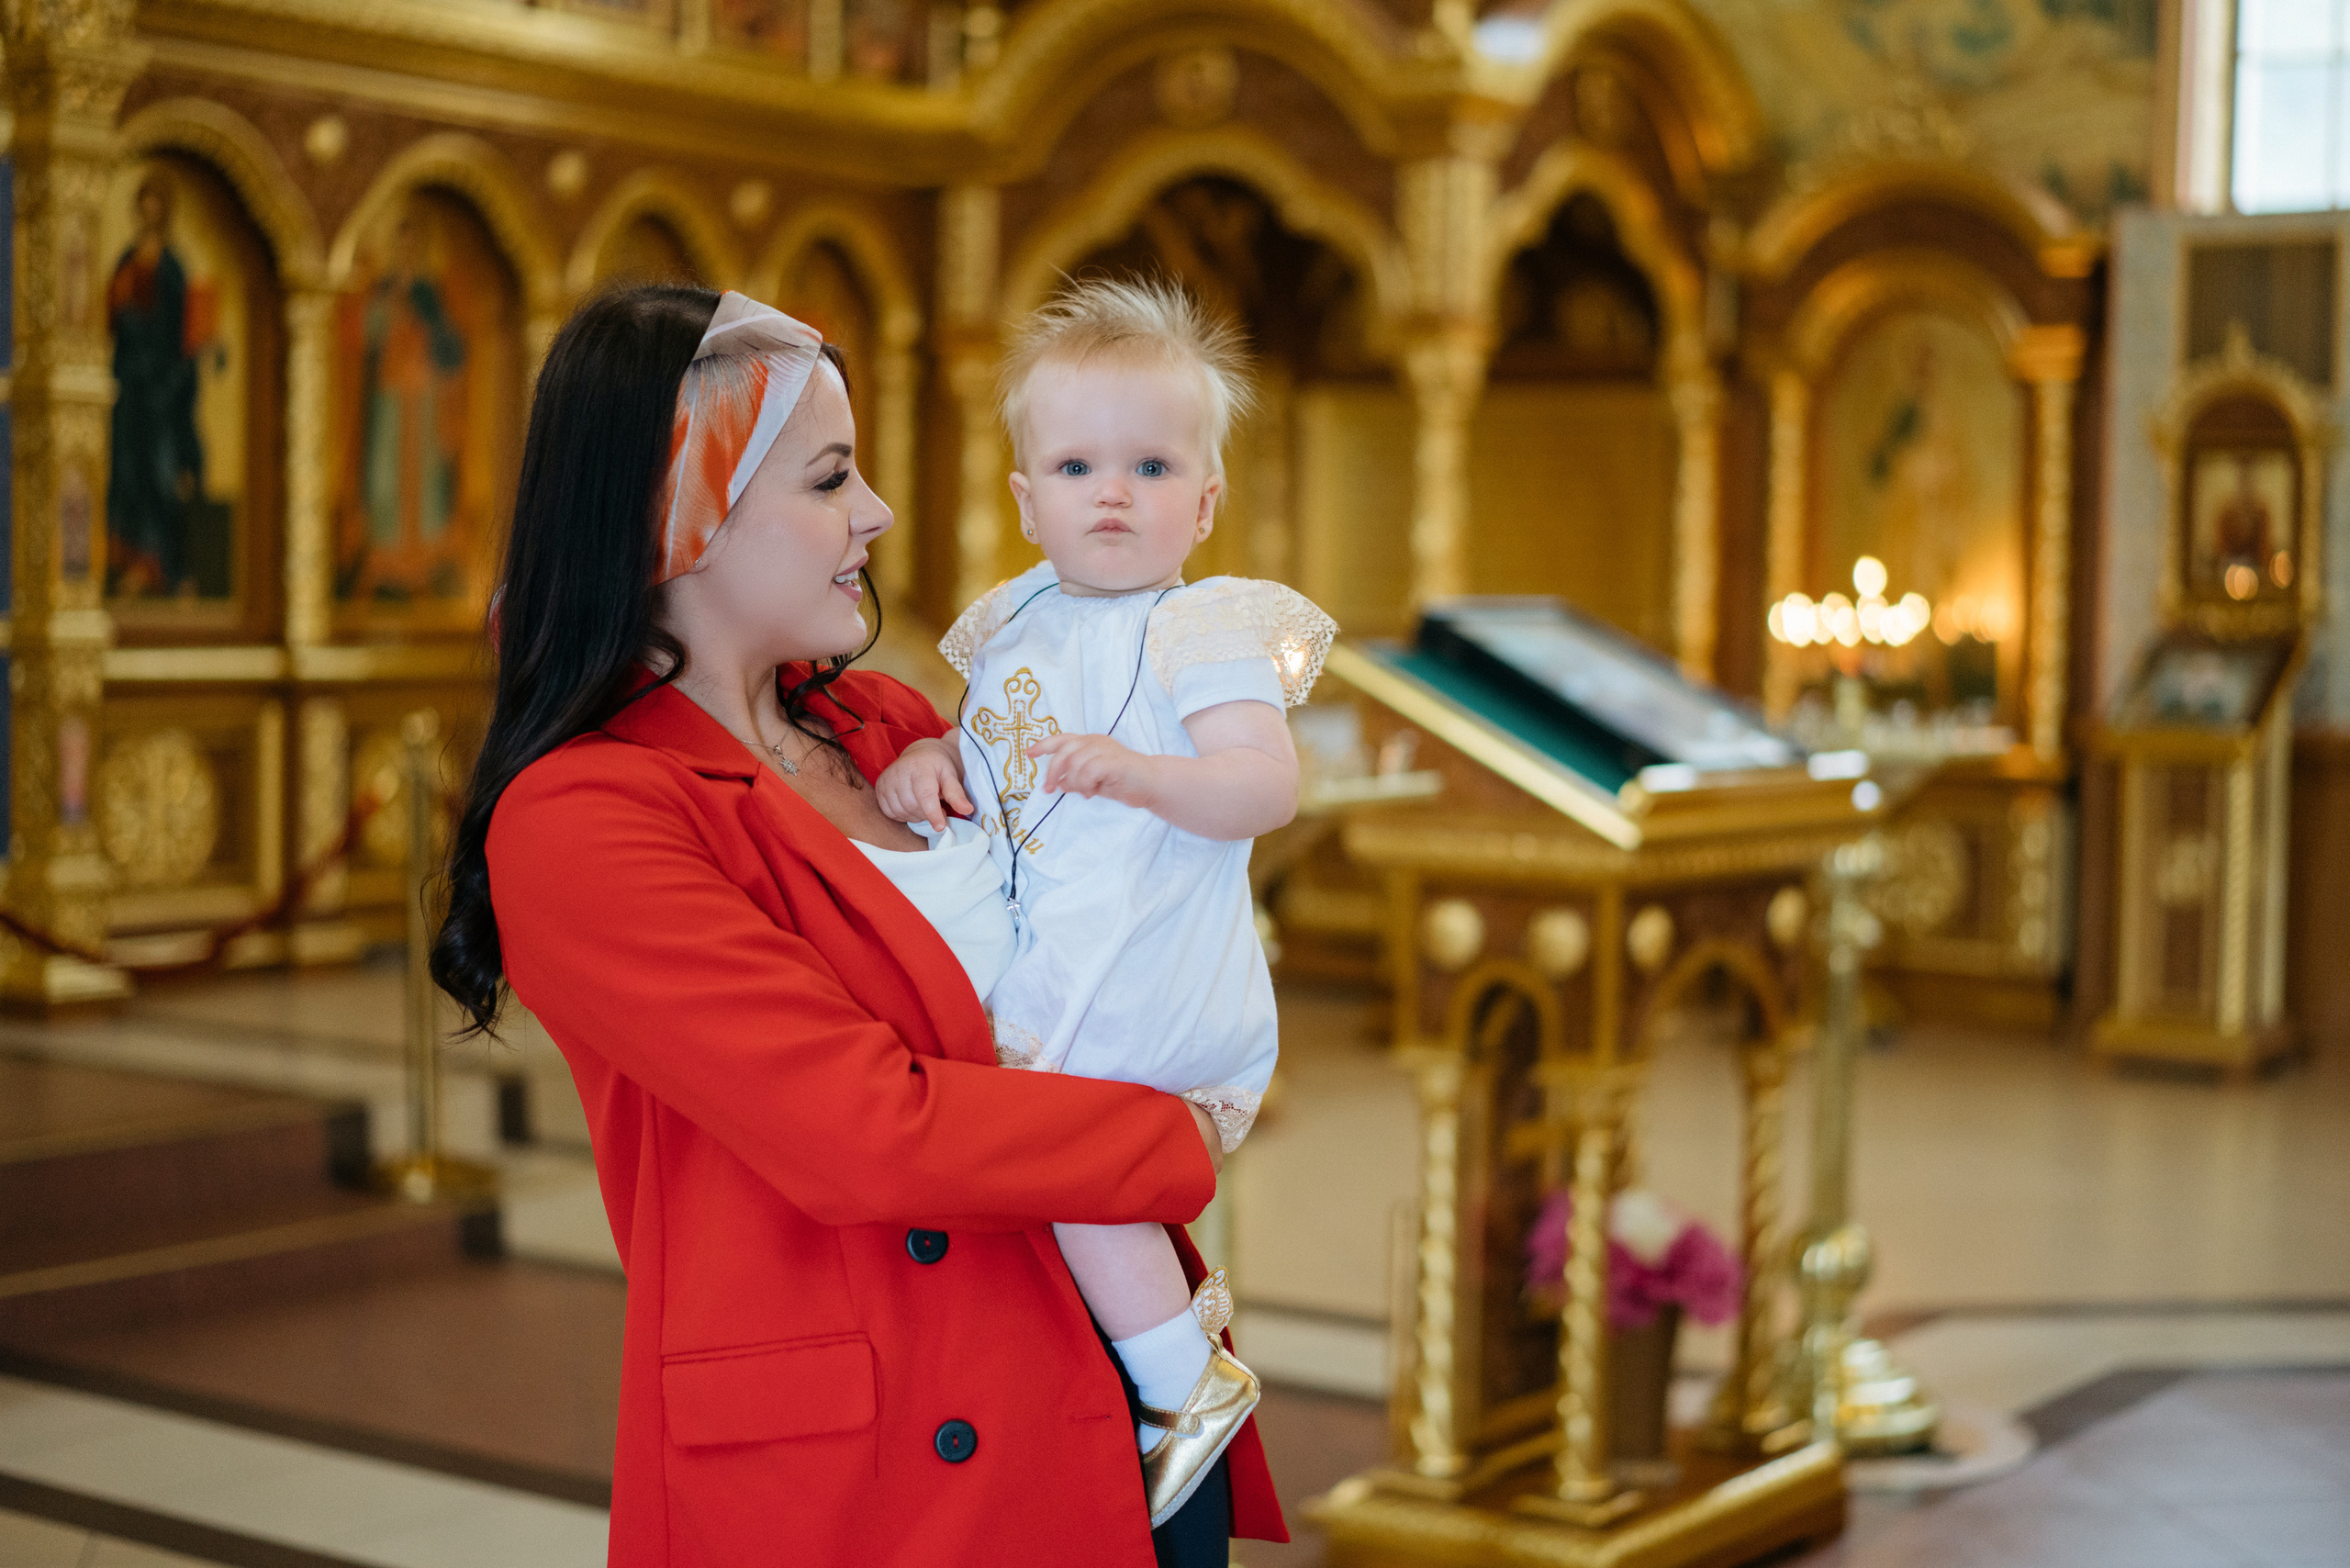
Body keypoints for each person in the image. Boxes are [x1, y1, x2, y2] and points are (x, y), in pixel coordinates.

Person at [429, 284, 1284, 1566]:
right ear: (682, 513)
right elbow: (866, 1133)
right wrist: (1173, 1126)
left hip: (1117, 1383)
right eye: (830, 478)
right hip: (878, 1468)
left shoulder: (882, 722)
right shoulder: (583, 816)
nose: (875, 514)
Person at [874, 277, 1334, 1525]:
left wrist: (1149, 773)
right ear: (1027, 498)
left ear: (1207, 497)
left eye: (1150, 463)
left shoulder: (1203, 629)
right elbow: (996, 762)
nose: (1113, 491)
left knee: (1075, 1173)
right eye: (1077, 465)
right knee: (1038, 1182)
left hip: (1151, 974)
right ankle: (1122, 1385)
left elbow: (1265, 785)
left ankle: (1190, 1385)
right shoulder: (1012, 624)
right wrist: (935, 765)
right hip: (1055, 953)